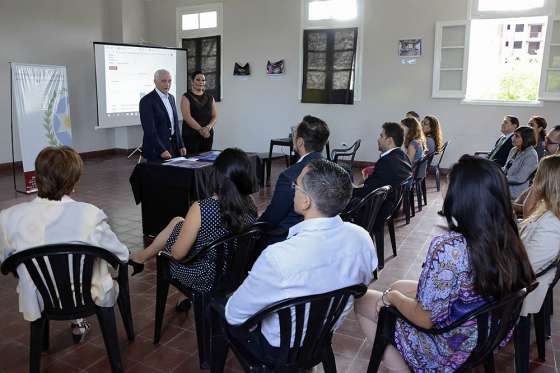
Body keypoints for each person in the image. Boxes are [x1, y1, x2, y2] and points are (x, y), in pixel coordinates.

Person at [354, 155, 534, 372]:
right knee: (400, 285)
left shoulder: (449, 248)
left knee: (365, 301)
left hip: (447, 345)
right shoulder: (508, 232)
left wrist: (391, 298)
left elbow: (425, 319)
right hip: (485, 332)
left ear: (462, 198)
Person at [225, 159, 377, 365]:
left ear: (306, 201)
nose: (293, 189)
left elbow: (235, 315)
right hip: (321, 339)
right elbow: (364, 281)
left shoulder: (278, 257)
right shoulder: (362, 238)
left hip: (279, 351)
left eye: (295, 186)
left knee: (221, 312)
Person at [0, 146, 129, 343]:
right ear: (74, 181)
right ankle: (80, 321)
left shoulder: (8, 218)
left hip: (40, 297)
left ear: (38, 176)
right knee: (90, 271)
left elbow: (4, 261)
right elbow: (122, 255)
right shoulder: (90, 215)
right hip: (87, 295)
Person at [129, 148, 257, 308]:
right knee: (178, 222)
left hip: (205, 277)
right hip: (235, 272)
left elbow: (177, 254)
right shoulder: (250, 204)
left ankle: (141, 257)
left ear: (216, 176)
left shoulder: (201, 208)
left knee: (176, 233)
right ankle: (178, 294)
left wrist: (171, 243)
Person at [259, 115, 329, 242]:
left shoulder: (290, 175)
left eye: (294, 134)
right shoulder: (333, 169)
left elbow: (272, 218)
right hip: (321, 236)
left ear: (300, 142)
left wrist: (254, 226)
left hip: (287, 239)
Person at [520, 154, 560, 317]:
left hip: (521, 291)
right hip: (523, 274)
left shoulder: (552, 225)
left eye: (538, 175)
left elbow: (526, 268)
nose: (534, 180)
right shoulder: (547, 209)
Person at [353, 122, 412, 217]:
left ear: (389, 140)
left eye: (381, 136)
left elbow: (369, 192)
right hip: (390, 205)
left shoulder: (386, 161)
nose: (378, 139)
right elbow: (380, 180)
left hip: (377, 209)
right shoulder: (403, 156)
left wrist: (350, 190)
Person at [139, 69, 186, 161]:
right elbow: (149, 130)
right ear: (155, 82)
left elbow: (175, 125)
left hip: (173, 147)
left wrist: (181, 145)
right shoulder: (147, 101)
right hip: (156, 150)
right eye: (163, 81)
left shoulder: (171, 98)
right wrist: (161, 149)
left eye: (169, 81)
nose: (167, 84)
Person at [514, 125, 560, 217]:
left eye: (549, 142)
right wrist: (515, 204)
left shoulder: (549, 165)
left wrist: (513, 206)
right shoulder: (548, 162)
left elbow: (529, 210)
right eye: (546, 139)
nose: (544, 144)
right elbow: (531, 190)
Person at [181, 70, 218, 155]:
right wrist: (201, 130)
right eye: (198, 79)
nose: (201, 82)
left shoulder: (210, 97)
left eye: (203, 80)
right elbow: (187, 117)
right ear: (192, 81)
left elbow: (214, 116)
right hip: (191, 134)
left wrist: (208, 128)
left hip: (207, 134)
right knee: (192, 161)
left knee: (206, 160)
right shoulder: (186, 96)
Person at [503, 126, 538, 199]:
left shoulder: (531, 155)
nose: (513, 138)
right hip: (504, 187)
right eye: (513, 135)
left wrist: (500, 178)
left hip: (516, 193)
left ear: (526, 138)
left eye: (517, 136)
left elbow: (520, 178)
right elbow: (506, 168)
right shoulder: (513, 150)